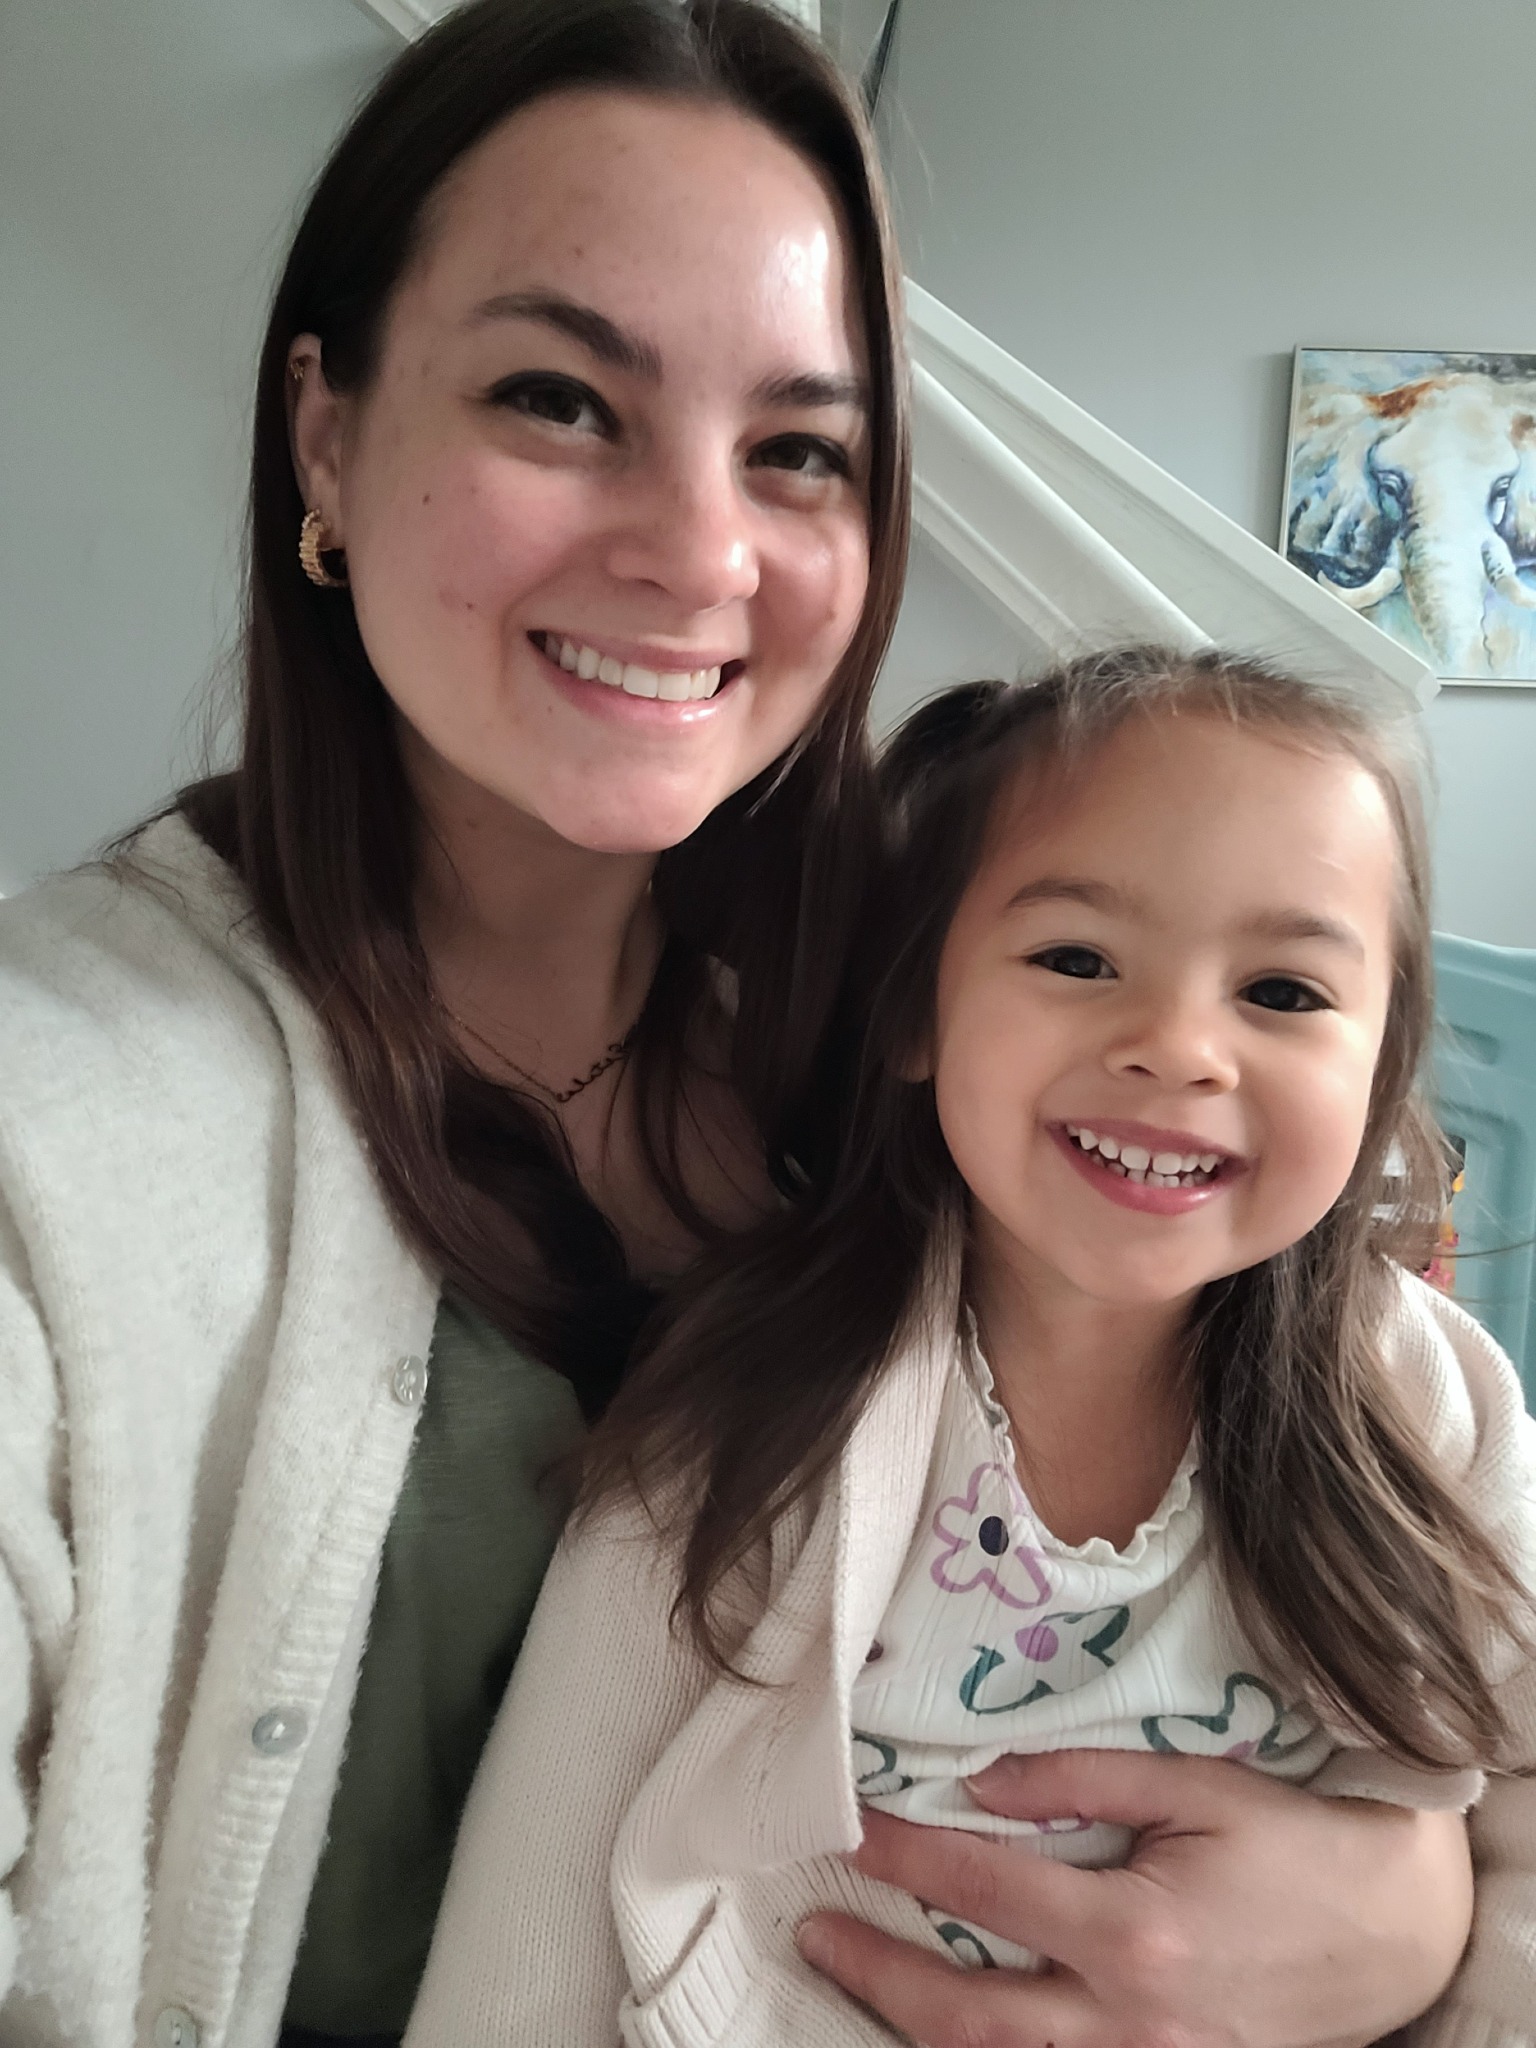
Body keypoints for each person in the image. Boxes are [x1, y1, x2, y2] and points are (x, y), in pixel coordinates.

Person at [0, 0, 1477, 2038]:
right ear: (325, 430)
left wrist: (1417, 1931)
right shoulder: (54, 1133)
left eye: (798, 450)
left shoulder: (956, 1038)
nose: (700, 552)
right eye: (559, 398)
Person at [403, 648, 1536, 2048]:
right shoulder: (761, 1406)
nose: (1180, 1048)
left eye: (1285, 993)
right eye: (1076, 959)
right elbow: (546, 1865)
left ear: (1381, 1063)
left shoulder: (1426, 1401)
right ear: (915, 1015)